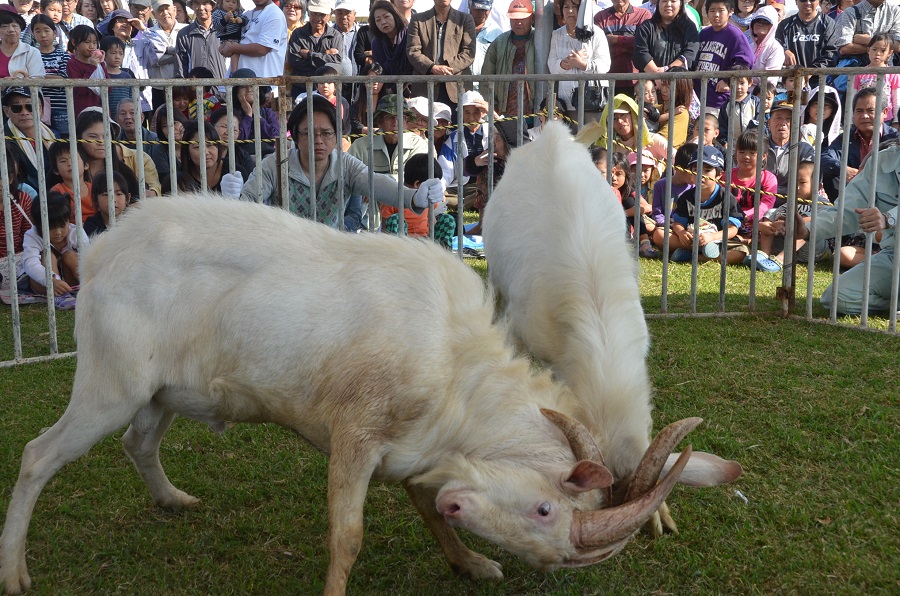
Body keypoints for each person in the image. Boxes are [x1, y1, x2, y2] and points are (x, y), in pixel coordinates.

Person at [237, 94, 446, 228]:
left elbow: (375, 182)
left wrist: (413, 197)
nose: (318, 140)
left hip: (331, 255)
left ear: (337, 136)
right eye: (308, 133)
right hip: (284, 255)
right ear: (296, 136)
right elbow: (247, 202)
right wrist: (234, 199)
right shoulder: (274, 165)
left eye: (326, 133)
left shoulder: (347, 165)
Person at [795, 142, 900, 314]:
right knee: (837, 297)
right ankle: (893, 306)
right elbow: (846, 211)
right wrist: (807, 230)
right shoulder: (881, 161)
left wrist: (889, 218)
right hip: (893, 255)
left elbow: (888, 218)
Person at [669, 145, 746, 264]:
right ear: (690, 173)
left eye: (708, 170)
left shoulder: (726, 198)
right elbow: (678, 222)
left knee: (742, 252)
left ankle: (696, 257)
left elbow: (732, 229)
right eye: (696, 169)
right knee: (660, 235)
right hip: (692, 240)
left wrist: (712, 237)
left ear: (719, 175)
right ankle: (694, 251)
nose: (701, 174)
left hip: (717, 241)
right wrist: (681, 233)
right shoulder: (685, 197)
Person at [822, 86, 899, 201]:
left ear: (885, 112)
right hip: (852, 198)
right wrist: (843, 169)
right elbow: (824, 157)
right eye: (859, 111)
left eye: (870, 110)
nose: (864, 116)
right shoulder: (846, 137)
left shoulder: (894, 137)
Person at [22, 191, 89, 309]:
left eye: (63, 225)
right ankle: (59, 296)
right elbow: (30, 263)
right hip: (45, 284)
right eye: (51, 227)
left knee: (70, 255)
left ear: (69, 219)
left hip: (72, 282)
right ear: (36, 224)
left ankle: (88, 287)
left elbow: (89, 257)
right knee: (48, 254)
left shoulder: (76, 232)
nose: (58, 232)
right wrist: (51, 280)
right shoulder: (32, 235)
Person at [547, 0, 611, 123]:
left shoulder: (596, 33)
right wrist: (566, 63)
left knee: (592, 139)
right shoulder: (556, 35)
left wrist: (583, 64)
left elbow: (605, 64)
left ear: (582, 11)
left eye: (574, 7)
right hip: (567, 101)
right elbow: (551, 64)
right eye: (566, 7)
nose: (570, 11)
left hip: (593, 100)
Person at [407, 0, 477, 108]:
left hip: (456, 88)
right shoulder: (418, 19)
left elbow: (469, 52)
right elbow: (413, 51)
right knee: (424, 124)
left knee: (456, 125)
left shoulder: (465, 19)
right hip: (425, 88)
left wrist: (446, 69)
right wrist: (432, 67)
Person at [381, 153, 456, 248]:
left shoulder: (429, 199)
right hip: (403, 244)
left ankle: (441, 254)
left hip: (426, 242)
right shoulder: (392, 198)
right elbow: (385, 230)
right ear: (418, 184)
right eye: (432, 186)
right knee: (395, 219)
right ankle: (398, 255)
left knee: (448, 220)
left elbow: (432, 222)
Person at [694, 0, 754, 113]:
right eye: (712, 10)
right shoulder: (703, 33)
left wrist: (727, 79)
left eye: (721, 10)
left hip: (719, 99)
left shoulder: (735, 35)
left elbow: (746, 61)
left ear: (730, 12)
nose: (716, 14)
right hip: (699, 96)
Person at [348, 94, 428, 177]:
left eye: (401, 117)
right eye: (389, 117)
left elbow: (418, 180)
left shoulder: (417, 145)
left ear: (407, 122)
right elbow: (348, 178)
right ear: (379, 122)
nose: (395, 123)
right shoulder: (360, 147)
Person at [481, 0, 535, 118]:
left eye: (523, 18)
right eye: (514, 18)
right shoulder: (499, 43)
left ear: (532, 18)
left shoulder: (540, 40)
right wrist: (492, 104)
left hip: (535, 111)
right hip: (504, 111)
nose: (518, 22)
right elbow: (486, 78)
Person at [218, 0, 287, 85]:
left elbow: (262, 49)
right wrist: (225, 47)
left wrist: (233, 48)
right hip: (240, 85)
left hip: (264, 86)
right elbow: (231, 38)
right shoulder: (246, 14)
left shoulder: (274, 14)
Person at [588, 94, 668, 164]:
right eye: (614, 118)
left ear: (633, 115)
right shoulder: (612, 149)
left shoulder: (654, 140)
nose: (619, 121)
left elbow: (677, 161)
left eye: (623, 115)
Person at [594, 0, 652, 98]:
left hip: (636, 82)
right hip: (607, 82)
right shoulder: (600, 17)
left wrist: (615, 40)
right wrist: (629, 45)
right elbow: (597, 47)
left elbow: (644, 45)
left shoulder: (643, 15)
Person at [774, 0, 838, 88]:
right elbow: (774, 46)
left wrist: (811, 72)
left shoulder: (829, 24)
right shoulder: (784, 25)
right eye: (803, 0)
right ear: (796, 1)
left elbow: (832, 54)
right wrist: (783, 51)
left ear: (818, 1)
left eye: (812, 0)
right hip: (792, 83)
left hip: (820, 83)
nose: (807, 3)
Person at [2, 87, 55, 192]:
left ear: (40, 109)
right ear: (6, 111)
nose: (24, 112)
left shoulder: (54, 136)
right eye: (17, 108)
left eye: (30, 106)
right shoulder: (3, 141)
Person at [286, 0, 344, 96]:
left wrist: (309, 54)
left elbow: (336, 61)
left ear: (329, 15)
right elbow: (294, 61)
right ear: (308, 13)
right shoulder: (298, 33)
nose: (318, 18)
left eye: (322, 14)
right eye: (314, 14)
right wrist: (324, 56)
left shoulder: (335, 35)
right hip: (301, 88)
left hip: (327, 92)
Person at [764, 99, 817, 204]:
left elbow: (807, 187)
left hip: (793, 205)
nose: (783, 123)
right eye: (778, 118)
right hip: (759, 202)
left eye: (789, 119)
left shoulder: (805, 150)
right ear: (769, 122)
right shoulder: (759, 146)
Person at [648, 141, 697, 250]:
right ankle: (691, 249)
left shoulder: (695, 187)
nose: (697, 175)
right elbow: (657, 213)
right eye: (693, 171)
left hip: (686, 228)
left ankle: (687, 248)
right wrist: (667, 223)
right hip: (667, 227)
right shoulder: (660, 185)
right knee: (656, 232)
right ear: (679, 169)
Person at [29, 14, 69, 136]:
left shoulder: (64, 55)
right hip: (38, 106)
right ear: (32, 34)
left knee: (63, 140)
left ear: (55, 32)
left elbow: (63, 79)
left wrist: (38, 77)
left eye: (47, 30)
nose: (43, 35)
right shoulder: (30, 55)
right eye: (38, 31)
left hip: (60, 106)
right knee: (42, 139)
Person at [633, 0, 700, 73]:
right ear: (658, 4)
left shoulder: (689, 27)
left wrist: (668, 71)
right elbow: (641, 53)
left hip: (679, 77)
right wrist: (657, 75)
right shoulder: (647, 27)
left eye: (673, 1)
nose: (668, 4)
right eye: (664, 1)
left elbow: (690, 53)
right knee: (647, 85)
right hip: (651, 77)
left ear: (680, 4)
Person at [142, 0, 186, 111]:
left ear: (174, 10)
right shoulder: (148, 33)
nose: (165, 12)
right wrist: (178, 55)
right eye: (160, 10)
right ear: (154, 14)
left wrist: (165, 53)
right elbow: (154, 60)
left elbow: (189, 56)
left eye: (167, 8)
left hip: (184, 89)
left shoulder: (186, 30)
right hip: (158, 88)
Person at [231, 67, 280, 163]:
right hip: (242, 158)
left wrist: (257, 116)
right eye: (244, 86)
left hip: (268, 156)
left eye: (252, 86)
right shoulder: (231, 113)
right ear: (236, 92)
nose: (249, 90)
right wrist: (248, 115)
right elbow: (238, 138)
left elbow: (275, 136)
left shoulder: (268, 112)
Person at [853, 33, 900, 122]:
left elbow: (896, 99)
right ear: (868, 50)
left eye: (883, 50)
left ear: (890, 53)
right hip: (863, 117)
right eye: (874, 49)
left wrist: (896, 120)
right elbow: (853, 97)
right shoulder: (859, 73)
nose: (877, 53)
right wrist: (852, 120)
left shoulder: (892, 73)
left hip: (886, 119)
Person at [175, 0, 227, 79]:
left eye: (205, 3)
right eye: (196, 3)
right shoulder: (184, 34)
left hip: (222, 87)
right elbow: (181, 67)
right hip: (195, 88)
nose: (201, 8)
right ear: (192, 6)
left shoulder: (225, 30)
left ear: (212, 6)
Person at [0, 142, 33, 264]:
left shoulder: (23, 198)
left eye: (0, 177)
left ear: (11, 178)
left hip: (18, 260)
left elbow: (28, 235)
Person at [47, 140, 92, 223]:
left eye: (74, 158)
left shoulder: (94, 188)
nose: (70, 163)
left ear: (86, 165)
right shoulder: (57, 191)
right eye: (63, 161)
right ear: (56, 170)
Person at [0, 4, 45, 78]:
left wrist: (14, 83)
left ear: (20, 28)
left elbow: (38, 80)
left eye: (15, 26)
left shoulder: (31, 52)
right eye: (5, 26)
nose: (11, 30)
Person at [83, 170, 133, 236]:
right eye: (106, 195)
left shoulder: (133, 222)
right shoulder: (91, 225)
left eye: (119, 194)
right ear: (95, 200)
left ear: (127, 198)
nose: (113, 200)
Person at [716, 70, 760, 146]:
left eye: (742, 83)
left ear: (750, 83)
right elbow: (722, 126)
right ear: (729, 85)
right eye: (734, 83)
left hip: (753, 144)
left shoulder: (756, 102)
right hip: (732, 146)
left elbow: (759, 123)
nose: (738, 87)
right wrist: (724, 141)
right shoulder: (726, 105)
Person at [368, 0, 411, 77]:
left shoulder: (409, 34)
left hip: (412, 84)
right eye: (378, 20)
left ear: (395, 15)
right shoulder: (376, 43)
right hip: (388, 87)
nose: (383, 22)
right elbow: (380, 70)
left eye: (386, 16)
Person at [209, 106, 254, 177]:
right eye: (224, 126)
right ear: (211, 127)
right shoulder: (205, 154)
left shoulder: (242, 157)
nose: (228, 132)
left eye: (234, 130)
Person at [746, 5, 785, 86]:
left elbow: (769, 79)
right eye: (757, 21)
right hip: (744, 94)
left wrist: (745, 77)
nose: (760, 24)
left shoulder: (775, 49)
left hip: (763, 94)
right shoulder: (749, 46)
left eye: (765, 21)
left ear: (772, 26)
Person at [333, 0, 362, 103]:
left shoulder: (362, 34)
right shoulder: (328, 35)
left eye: (347, 13)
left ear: (354, 14)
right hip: (334, 86)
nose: (344, 17)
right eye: (340, 13)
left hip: (356, 85)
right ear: (334, 14)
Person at [469, 0, 502, 89]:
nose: (481, 13)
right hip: (463, 86)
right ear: (470, 7)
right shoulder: (460, 29)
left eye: (485, 10)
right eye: (478, 9)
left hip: (487, 87)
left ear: (490, 9)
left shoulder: (497, 33)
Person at [100, 35, 136, 118]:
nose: (117, 57)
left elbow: (132, 98)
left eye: (121, 53)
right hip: (106, 117)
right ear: (104, 54)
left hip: (124, 117)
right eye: (113, 53)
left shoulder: (127, 76)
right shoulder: (101, 74)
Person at [655, 68, 692, 146]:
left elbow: (660, 142)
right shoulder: (656, 108)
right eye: (663, 84)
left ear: (681, 89)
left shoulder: (681, 113)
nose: (664, 90)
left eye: (669, 87)